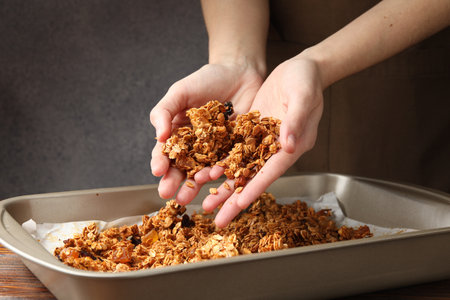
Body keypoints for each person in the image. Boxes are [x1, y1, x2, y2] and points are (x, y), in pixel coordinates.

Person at [150, 0, 450, 228]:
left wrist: (320, 63)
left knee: (407, 225)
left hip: (404, 57)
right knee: (281, 217)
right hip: (273, 92)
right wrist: (235, 60)